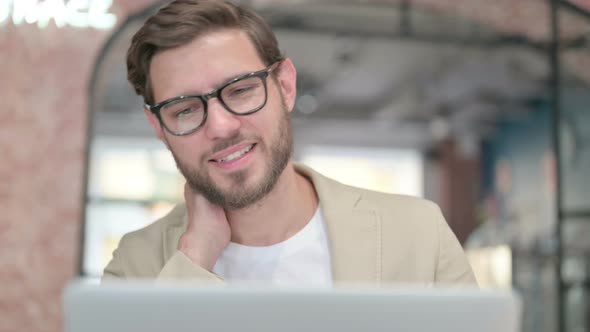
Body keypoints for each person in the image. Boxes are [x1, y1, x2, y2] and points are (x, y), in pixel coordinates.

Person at [103, 0, 477, 286]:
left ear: (285, 86)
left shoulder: (419, 233)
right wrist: (195, 256)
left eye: (241, 90)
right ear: (158, 126)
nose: (220, 126)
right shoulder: (135, 265)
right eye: (184, 110)